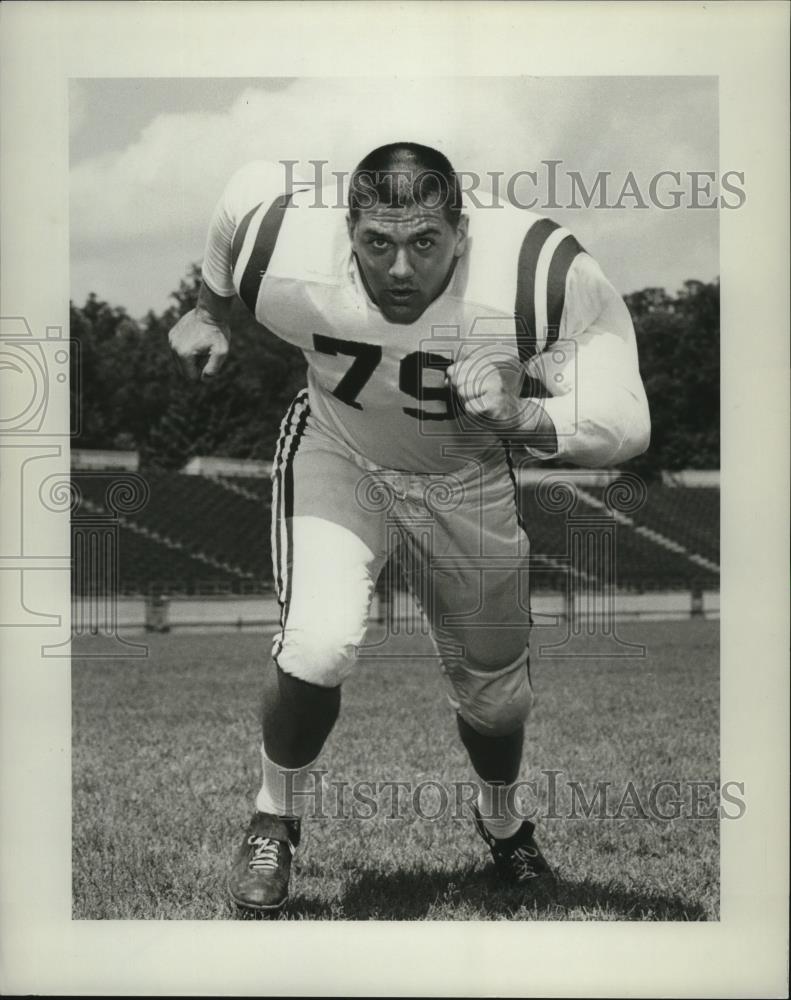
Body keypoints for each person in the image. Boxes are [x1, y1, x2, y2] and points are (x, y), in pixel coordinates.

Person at [169, 142, 650, 913]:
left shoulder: (537, 273)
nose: (399, 270)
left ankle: (503, 827)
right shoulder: (284, 250)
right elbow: (238, 197)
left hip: (465, 475)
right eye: (377, 243)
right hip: (341, 454)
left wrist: (526, 413)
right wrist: (211, 307)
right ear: (346, 229)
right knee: (318, 645)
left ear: (461, 232)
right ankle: (274, 817)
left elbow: (627, 418)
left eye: (424, 243)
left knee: (497, 700)